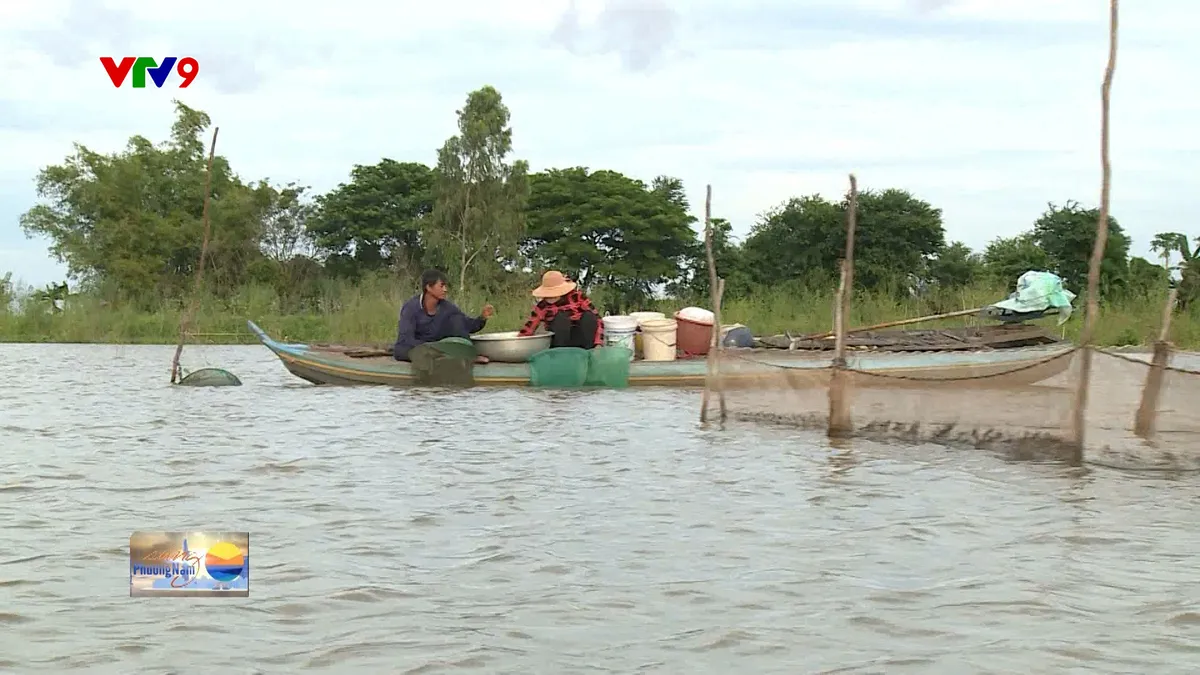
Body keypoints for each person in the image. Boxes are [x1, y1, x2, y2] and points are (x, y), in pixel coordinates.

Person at [393, 269, 494, 363]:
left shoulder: (447, 307)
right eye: (441, 286)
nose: (445, 290)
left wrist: (482, 317)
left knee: (456, 320)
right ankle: (443, 357)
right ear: (428, 287)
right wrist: (433, 348)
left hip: (437, 346)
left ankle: (463, 355)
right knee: (403, 350)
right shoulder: (411, 308)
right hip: (417, 346)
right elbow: (407, 339)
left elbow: (468, 325)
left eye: (445, 286)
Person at [517, 270, 602, 349]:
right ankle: (560, 354)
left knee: (588, 315)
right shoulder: (542, 306)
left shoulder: (577, 297)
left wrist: (598, 343)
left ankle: (588, 350)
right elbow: (530, 326)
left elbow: (598, 319)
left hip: (582, 336)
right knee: (561, 317)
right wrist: (519, 342)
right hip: (559, 339)